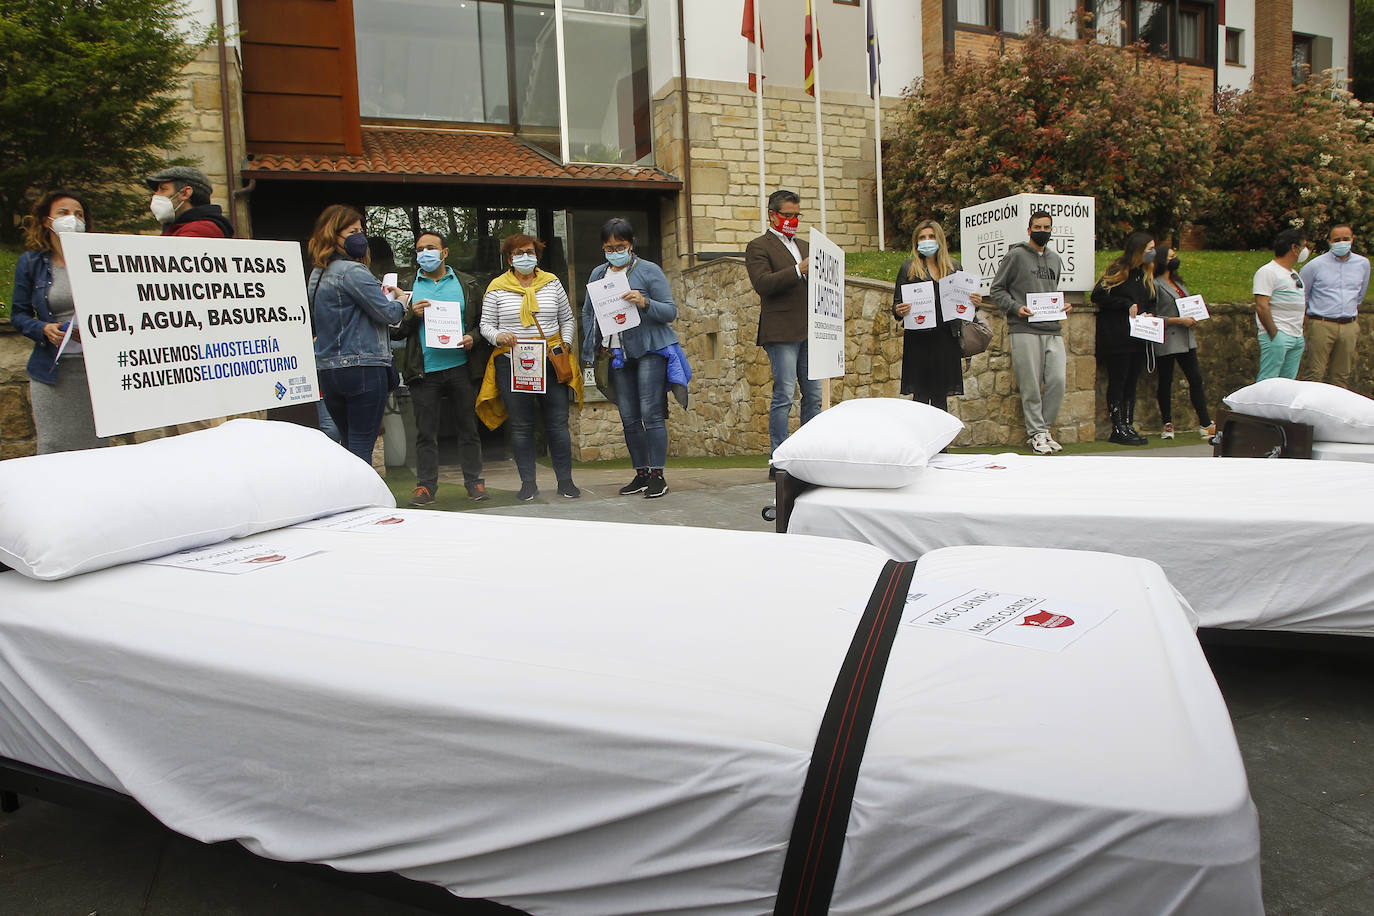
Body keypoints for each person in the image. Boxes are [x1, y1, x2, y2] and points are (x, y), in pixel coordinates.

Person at [580, 218, 680, 499]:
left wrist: (644, 301)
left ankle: (658, 475)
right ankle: (641, 473)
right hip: (616, 353)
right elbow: (588, 311)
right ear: (603, 247)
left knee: (651, 413)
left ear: (631, 244)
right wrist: (595, 340)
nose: (615, 251)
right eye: (609, 247)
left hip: (649, 350)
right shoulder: (598, 274)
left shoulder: (649, 271)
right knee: (629, 417)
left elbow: (670, 312)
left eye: (620, 246)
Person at [477, 234, 581, 502]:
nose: (525, 256)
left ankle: (566, 481)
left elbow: (567, 318)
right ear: (509, 258)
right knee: (522, 426)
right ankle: (528, 483)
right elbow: (485, 325)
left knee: (557, 424)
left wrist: (565, 344)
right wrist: (499, 337)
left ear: (537, 254)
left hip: (550, 360)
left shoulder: (552, 283)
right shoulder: (496, 287)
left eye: (529, 251)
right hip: (512, 362)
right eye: (518, 253)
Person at [392, 230, 489, 506]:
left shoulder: (467, 284)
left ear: (444, 252)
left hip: (461, 367)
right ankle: (425, 487)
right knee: (425, 432)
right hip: (424, 370)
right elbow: (394, 331)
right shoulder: (407, 286)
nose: (425, 253)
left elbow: (483, 323)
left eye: (431, 247)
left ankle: (475, 483)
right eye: (420, 249)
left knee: (468, 428)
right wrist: (412, 315)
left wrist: (474, 337)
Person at [10, 189, 109, 454]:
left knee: (97, 447)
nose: (72, 219)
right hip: (53, 374)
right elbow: (18, 315)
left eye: (79, 214)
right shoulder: (31, 263)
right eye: (63, 213)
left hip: (96, 374)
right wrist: (42, 328)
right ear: (47, 221)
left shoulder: (98, 259)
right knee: (55, 446)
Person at [307, 205, 407, 464]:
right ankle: (362, 499)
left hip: (329, 370)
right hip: (363, 367)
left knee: (349, 443)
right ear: (334, 235)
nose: (360, 237)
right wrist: (402, 301)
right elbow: (389, 314)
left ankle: (349, 495)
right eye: (353, 231)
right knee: (362, 447)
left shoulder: (317, 275)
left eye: (361, 230)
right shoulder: (353, 271)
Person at [746, 190, 819, 473]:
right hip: (781, 331)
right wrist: (798, 270)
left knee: (812, 396)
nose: (792, 220)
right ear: (772, 215)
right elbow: (762, 283)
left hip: (810, 329)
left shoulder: (805, 244)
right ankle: (779, 458)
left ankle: (809, 455)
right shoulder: (758, 246)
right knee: (785, 395)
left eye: (796, 215)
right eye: (787, 215)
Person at [989, 209, 1071, 454]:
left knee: (1058, 381)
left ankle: (1044, 429)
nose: (1042, 231)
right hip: (1024, 328)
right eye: (1038, 227)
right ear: (1029, 229)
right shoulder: (1015, 256)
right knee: (1031, 384)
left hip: (1052, 328)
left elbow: (1051, 292)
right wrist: (1016, 308)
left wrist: (1062, 306)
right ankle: (1036, 434)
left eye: (1047, 228)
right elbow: (997, 290)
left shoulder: (1056, 259)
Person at [890, 220, 981, 412]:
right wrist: (900, 310)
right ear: (916, 242)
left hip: (946, 339)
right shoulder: (909, 268)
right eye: (922, 237)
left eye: (931, 237)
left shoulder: (954, 268)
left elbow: (965, 308)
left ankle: (942, 442)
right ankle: (921, 441)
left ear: (939, 239)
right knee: (920, 397)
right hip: (919, 341)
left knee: (941, 397)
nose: (927, 241)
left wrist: (974, 303)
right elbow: (896, 305)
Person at [1091, 231, 1157, 446]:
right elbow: (1098, 295)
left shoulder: (1146, 274)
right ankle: (1117, 426)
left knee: (1131, 382)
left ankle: (1128, 424)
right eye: (1149, 250)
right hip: (1118, 335)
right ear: (1138, 250)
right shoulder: (1119, 269)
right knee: (1118, 381)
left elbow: (1149, 300)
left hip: (1139, 335)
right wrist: (1125, 305)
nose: (1153, 254)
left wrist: (1148, 313)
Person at [1152, 244, 1215, 440]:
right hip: (1168, 338)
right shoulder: (1155, 284)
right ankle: (1167, 423)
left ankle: (1205, 422)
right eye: (1170, 257)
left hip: (1186, 338)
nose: (1174, 260)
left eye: (1175, 256)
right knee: (1166, 380)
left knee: (1195, 379)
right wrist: (1178, 320)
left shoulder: (1179, 284)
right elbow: (1152, 316)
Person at [1300, 222, 1370, 388]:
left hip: (1349, 326)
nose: (1342, 242)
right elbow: (1302, 295)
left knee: (1341, 376)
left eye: (1346, 239)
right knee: (1314, 374)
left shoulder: (1363, 264)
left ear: (1352, 239)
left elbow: (1360, 294)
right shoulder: (1314, 266)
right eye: (1337, 239)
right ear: (1330, 242)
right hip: (1321, 324)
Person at [1253, 228, 1310, 381]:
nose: (1306, 251)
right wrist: (1274, 334)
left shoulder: (1293, 273)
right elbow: (1261, 305)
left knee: (1287, 384)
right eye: (1303, 246)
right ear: (1294, 248)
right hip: (1279, 334)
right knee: (1268, 380)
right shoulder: (1268, 272)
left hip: (1296, 336)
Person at [144, 166, 233, 238]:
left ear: (185, 193)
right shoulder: (178, 228)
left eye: (163, 189)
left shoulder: (200, 230)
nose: (156, 195)